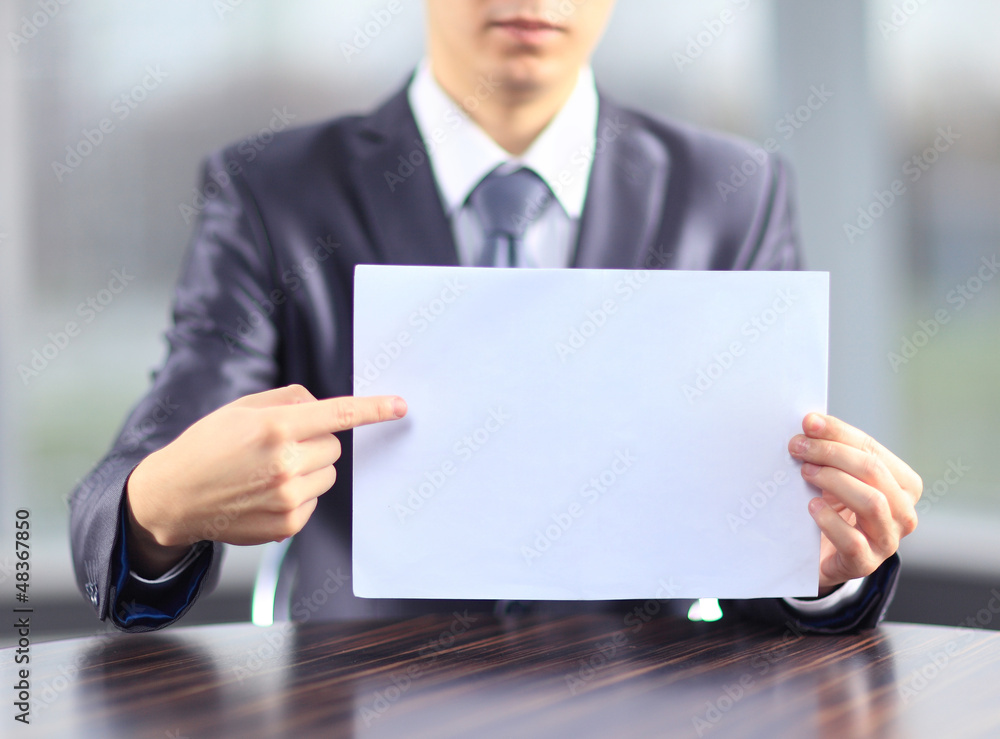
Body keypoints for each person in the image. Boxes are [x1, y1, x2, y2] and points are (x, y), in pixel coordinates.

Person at [70, 0, 921, 633]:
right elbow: (123, 487)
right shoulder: (272, 191)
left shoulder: (731, 193)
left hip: (646, 704)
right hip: (350, 699)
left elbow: (762, 532)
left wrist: (823, 568)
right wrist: (160, 505)